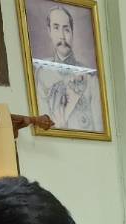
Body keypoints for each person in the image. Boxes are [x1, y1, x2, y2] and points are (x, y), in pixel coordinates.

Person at [40, 5, 101, 133]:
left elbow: (99, 128)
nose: (62, 36)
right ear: (49, 31)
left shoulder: (90, 78)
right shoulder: (41, 74)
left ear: (72, 32)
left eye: (66, 29)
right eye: (56, 28)